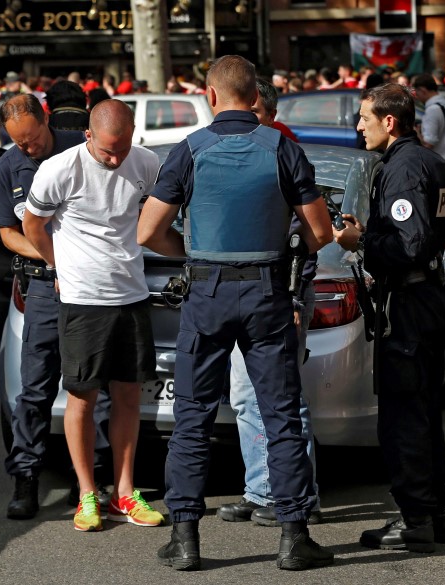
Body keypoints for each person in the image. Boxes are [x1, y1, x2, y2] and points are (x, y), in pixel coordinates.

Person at [137, 55, 333, 571]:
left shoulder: (189, 151)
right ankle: (293, 538)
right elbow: (319, 233)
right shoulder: (282, 148)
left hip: (206, 292)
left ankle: (184, 540)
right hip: (267, 292)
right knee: (280, 414)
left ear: (211, 95)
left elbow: (147, 231)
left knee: (192, 418)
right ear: (256, 96)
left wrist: (193, 250)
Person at [23, 99, 165, 532]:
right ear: (88, 135)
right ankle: (87, 493)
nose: (116, 158)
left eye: (122, 148)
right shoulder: (59, 169)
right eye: (107, 151)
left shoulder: (147, 162)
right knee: (82, 399)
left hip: (132, 295)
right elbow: (32, 225)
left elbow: (157, 217)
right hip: (83, 300)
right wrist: (57, 267)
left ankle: (125, 491)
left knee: (126, 397)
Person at [332, 83, 445, 553]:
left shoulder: (402, 168)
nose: (357, 125)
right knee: (423, 410)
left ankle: (417, 519)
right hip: (426, 298)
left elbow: (409, 245)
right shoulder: (429, 161)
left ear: (389, 121)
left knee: (405, 416)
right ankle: (432, 514)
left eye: (364, 117)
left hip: (409, 304)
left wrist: (358, 242)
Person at [0, 94, 111, 520]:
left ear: (47, 120)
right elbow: (9, 231)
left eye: (33, 138)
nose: (29, 148)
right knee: (35, 386)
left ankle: (95, 479)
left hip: (90, 286)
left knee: (92, 383)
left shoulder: (82, 147)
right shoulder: (8, 167)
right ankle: (26, 476)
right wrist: (54, 260)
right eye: (19, 143)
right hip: (44, 287)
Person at [217, 77, 322, 528]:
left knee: (282, 400)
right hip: (246, 294)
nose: (245, 125)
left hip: (280, 294)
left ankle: (297, 497)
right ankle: (262, 489)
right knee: (245, 398)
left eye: (253, 115)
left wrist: (296, 297)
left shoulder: (283, 155)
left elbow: (309, 238)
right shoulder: (242, 154)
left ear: (269, 115)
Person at [411, 74, 445, 164]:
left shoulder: (432, 110)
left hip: (437, 163)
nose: (417, 97)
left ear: (423, 91)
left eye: (417, 93)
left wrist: (416, 132)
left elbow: (428, 143)